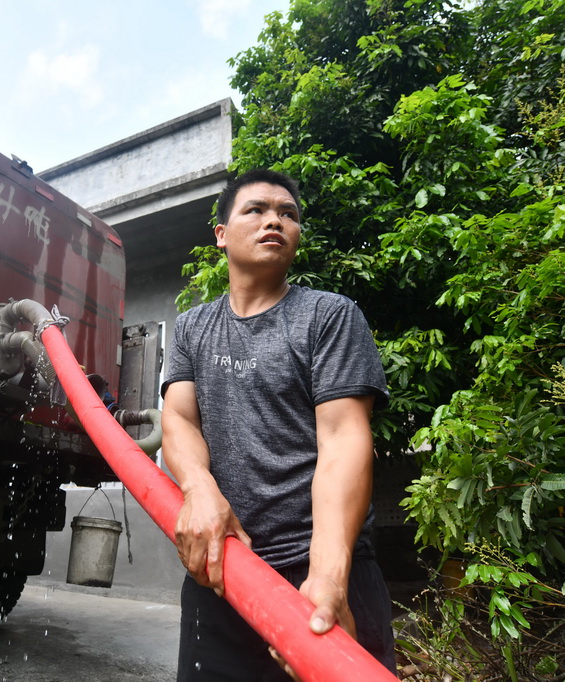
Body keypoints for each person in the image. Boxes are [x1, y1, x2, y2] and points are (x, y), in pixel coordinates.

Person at [161, 168, 396, 680]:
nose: (276, 220)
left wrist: (329, 575)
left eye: (288, 214)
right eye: (257, 210)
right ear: (221, 234)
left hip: (319, 572)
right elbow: (179, 419)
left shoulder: (329, 316)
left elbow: (344, 439)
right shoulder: (193, 327)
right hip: (221, 571)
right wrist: (198, 488)